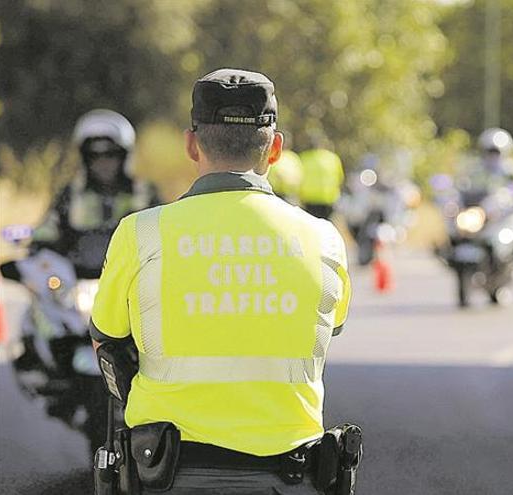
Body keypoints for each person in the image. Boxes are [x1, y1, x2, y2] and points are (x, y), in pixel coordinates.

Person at [90, 68, 352, 494]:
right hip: (291, 475)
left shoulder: (140, 233)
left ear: (191, 144)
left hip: (169, 472)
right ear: (276, 149)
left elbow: (106, 339)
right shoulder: (324, 238)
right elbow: (332, 326)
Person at [32, 109, 160, 278]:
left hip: (132, 282)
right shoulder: (70, 195)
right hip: (75, 287)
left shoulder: (144, 192)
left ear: (124, 156)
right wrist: (38, 246)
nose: (103, 163)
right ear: (85, 159)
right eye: (94, 156)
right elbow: (47, 230)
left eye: (110, 155)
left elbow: (163, 235)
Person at [298, 146, 344, 219]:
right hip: (327, 198)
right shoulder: (333, 158)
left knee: (311, 222)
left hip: (309, 198)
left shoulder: (305, 157)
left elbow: (298, 177)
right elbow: (340, 178)